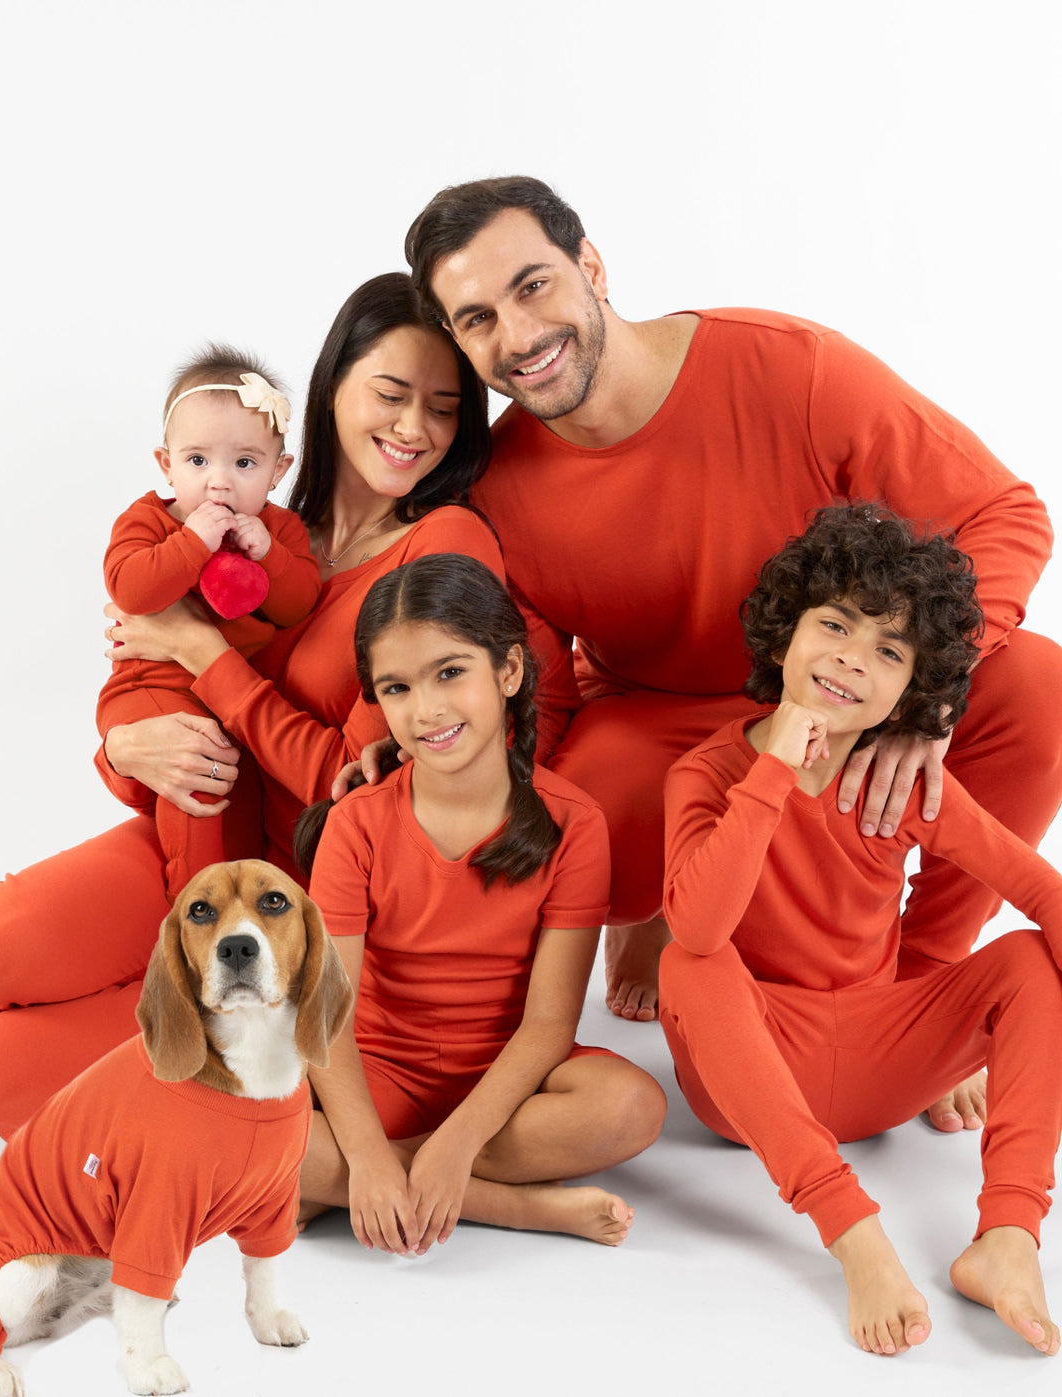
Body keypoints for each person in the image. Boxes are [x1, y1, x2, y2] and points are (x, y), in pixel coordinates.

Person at [400, 175, 1062, 1137]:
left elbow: (1004, 515)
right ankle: (664, 916)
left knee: (1038, 688)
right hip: (659, 725)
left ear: (591, 265)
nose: (517, 335)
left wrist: (925, 708)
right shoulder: (499, 489)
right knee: (551, 820)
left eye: (534, 285)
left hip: (841, 697)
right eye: (478, 319)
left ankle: (912, 986)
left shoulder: (789, 368)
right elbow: (537, 711)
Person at [0, 273, 508, 1141]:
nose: (414, 427)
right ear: (333, 385)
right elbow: (153, 683)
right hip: (187, 834)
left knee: (4, 1063)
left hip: (283, 903)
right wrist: (124, 747)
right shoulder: (268, 519)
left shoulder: (442, 545)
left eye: (445, 408)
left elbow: (365, 793)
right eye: (389, 393)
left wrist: (202, 651)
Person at [659, 504, 1062, 1357]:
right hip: (753, 1071)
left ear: (911, 694)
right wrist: (773, 773)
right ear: (783, 637)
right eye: (834, 624)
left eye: (888, 650)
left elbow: (1037, 888)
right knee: (688, 962)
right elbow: (698, 922)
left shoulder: (904, 783)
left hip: (880, 1059)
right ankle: (852, 1232)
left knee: (1029, 958)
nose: (850, 656)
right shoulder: (709, 773)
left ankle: (1010, 1235)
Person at [297, 553, 666, 1251]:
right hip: (380, 1071)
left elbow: (550, 1024)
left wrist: (457, 1142)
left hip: (509, 1084)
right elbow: (325, 1020)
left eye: (450, 672)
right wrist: (370, 1155)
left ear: (509, 671)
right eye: (398, 687)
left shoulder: (574, 823)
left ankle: (362, 1186)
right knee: (236, 1124)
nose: (426, 708)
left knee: (634, 1107)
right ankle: (509, 1206)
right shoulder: (356, 823)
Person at [98, 344, 321, 898]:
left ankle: (234, 898)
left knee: (233, 797)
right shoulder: (149, 520)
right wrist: (193, 543)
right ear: (166, 463)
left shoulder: (281, 531)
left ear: (278, 471)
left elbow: (298, 605)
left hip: (230, 701)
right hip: (150, 686)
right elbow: (131, 589)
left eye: (244, 463)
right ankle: (193, 898)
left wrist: (267, 555)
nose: (218, 483)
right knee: (195, 768)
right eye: (198, 461)